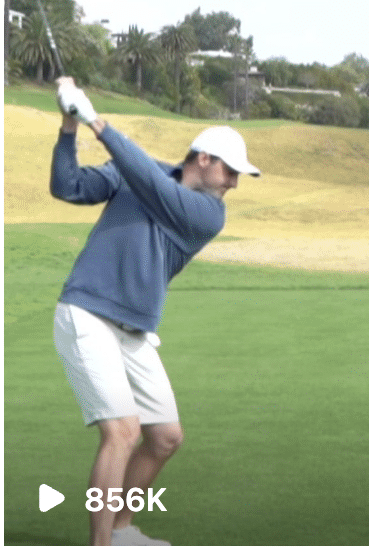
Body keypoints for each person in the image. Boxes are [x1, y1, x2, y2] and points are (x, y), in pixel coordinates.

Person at [50, 78, 259, 546]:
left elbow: (145, 179)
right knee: (122, 432)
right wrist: (69, 124)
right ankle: (100, 545)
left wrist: (96, 122)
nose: (234, 182)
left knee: (165, 437)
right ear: (202, 159)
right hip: (86, 313)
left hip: (134, 332)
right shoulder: (137, 173)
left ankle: (123, 531)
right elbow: (68, 185)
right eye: (230, 171)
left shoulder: (208, 213)